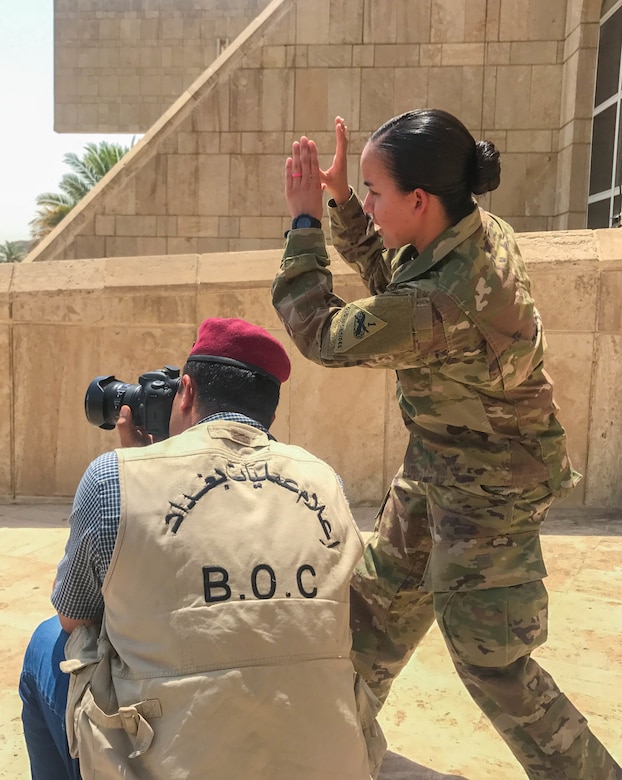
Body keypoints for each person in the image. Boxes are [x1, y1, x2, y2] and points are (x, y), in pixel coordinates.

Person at [271, 111, 622, 779]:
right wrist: (343, 202)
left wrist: (304, 224)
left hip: (493, 489)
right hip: (442, 462)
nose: (367, 204)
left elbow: (323, 332)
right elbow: (392, 275)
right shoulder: (465, 232)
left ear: (420, 200)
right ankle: (319, 757)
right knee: (367, 627)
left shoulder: (449, 297)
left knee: (494, 662)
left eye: (374, 191)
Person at [19, 317, 385, 780]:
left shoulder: (115, 478)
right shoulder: (324, 479)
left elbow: (75, 620)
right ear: (268, 412)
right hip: (329, 764)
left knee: (45, 644)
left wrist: (137, 468)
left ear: (186, 391)